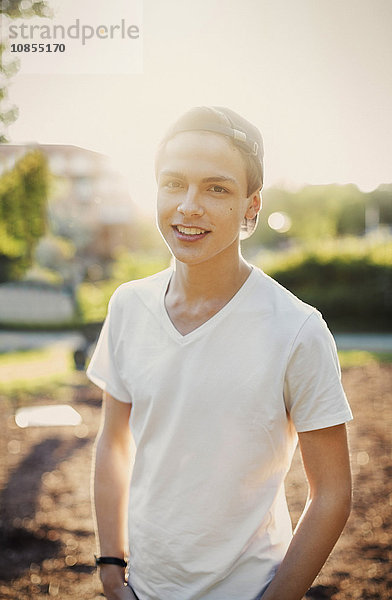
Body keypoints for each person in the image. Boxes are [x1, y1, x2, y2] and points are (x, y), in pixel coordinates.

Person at [87, 106, 353, 600]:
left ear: (251, 207)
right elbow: (114, 444)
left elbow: (333, 495)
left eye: (216, 188)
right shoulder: (128, 305)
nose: (189, 206)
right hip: (142, 587)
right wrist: (110, 567)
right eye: (173, 184)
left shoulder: (297, 330)